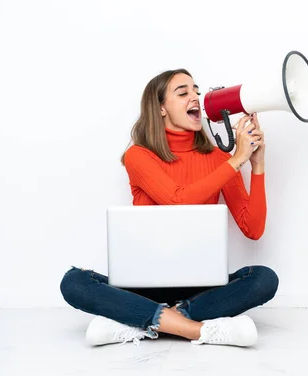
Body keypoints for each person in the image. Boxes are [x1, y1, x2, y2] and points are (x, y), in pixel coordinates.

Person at [60, 69, 279, 348]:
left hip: (201, 287)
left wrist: (256, 165)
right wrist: (236, 160)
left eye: (196, 91)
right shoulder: (139, 155)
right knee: (74, 281)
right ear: (161, 108)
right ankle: (197, 329)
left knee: (263, 279)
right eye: (183, 92)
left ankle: (139, 321)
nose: (196, 97)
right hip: (142, 286)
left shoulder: (218, 160)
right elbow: (177, 200)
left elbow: (253, 228)